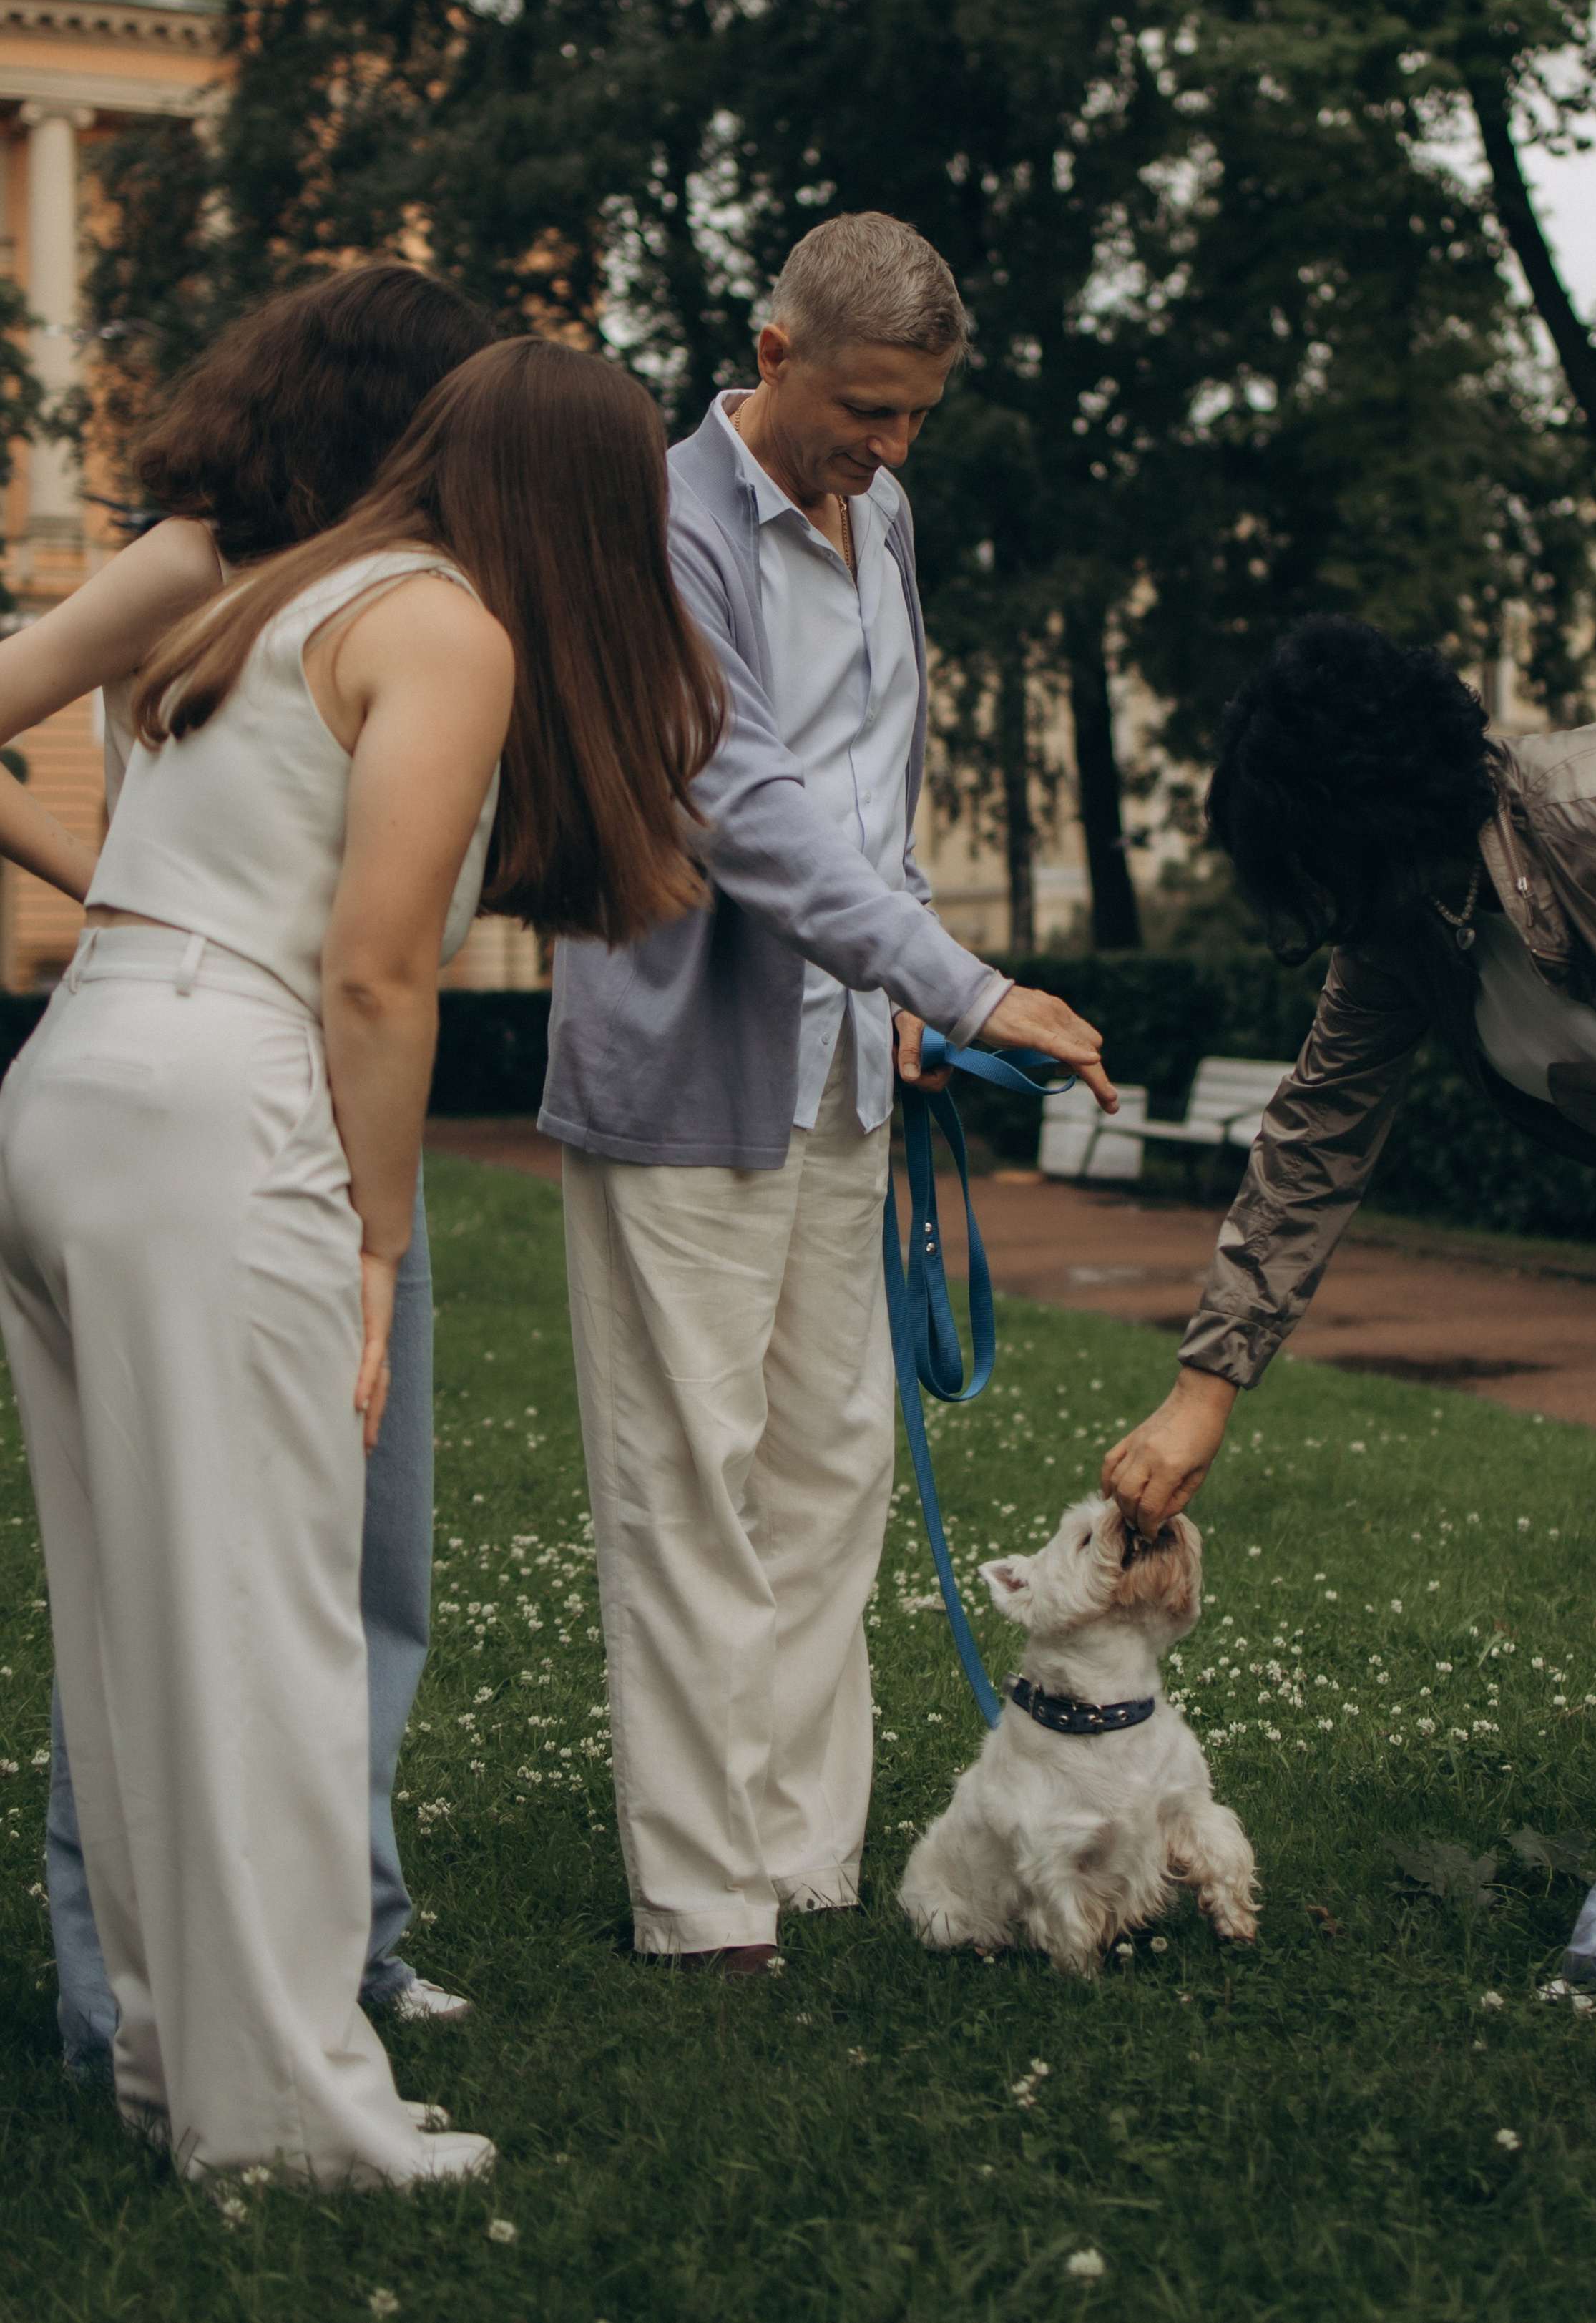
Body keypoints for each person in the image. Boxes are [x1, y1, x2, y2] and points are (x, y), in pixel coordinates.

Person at [0, 336, 724, 2182]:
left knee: (137, 1631)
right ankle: (296, 2114)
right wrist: (379, 1236)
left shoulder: (272, 585)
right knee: (264, 1632)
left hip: (72, 1084)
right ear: (588, 510)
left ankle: (175, 2062)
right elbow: (376, 969)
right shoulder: (450, 627)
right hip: (216, 1103)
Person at [1101, 611, 1596, 2035]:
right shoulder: (1403, 937)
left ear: (1370, 820)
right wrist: (1205, 1388)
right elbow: (1311, 1140)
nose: (1308, 907)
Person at [542, 212, 1115, 1970]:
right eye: (865, 409)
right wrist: (965, 979)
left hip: (849, 1072)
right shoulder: (657, 515)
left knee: (831, 1468)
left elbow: (874, 792)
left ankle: (802, 1853)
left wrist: (908, 997)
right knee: (686, 1476)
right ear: (772, 353)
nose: (886, 448)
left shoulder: (887, 515)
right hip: (685, 1066)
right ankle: (698, 1891)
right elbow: (744, 796)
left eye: (916, 420)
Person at [0, 267, 496, 2075]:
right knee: (180, 1560)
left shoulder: (380, 599)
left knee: (358, 1555)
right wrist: (108, 895)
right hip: (234, 1091)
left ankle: (328, 1939)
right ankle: (123, 1988)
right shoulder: (209, 559)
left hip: (293, 1092)